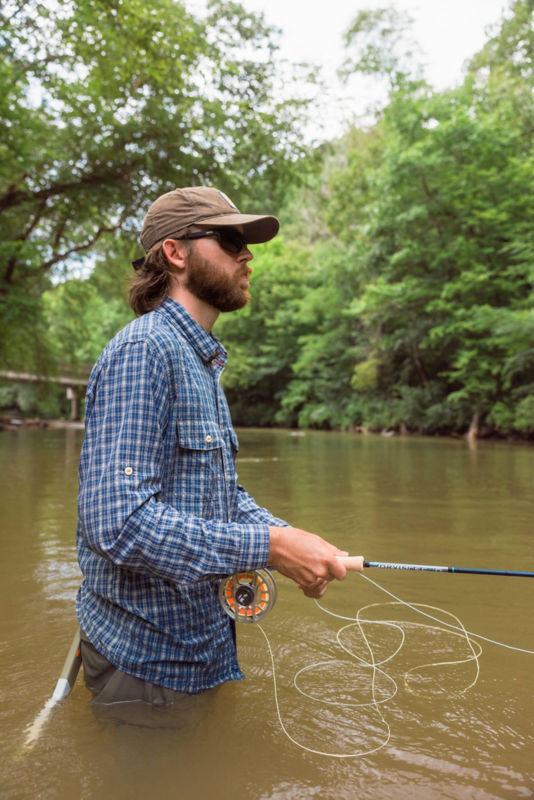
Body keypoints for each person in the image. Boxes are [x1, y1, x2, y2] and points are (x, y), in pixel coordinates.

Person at [76, 186, 349, 720]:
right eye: (229, 239)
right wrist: (269, 547)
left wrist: (292, 542)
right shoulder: (144, 352)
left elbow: (218, 495)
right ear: (176, 253)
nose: (247, 254)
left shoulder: (199, 362)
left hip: (198, 652)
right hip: (148, 665)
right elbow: (118, 524)